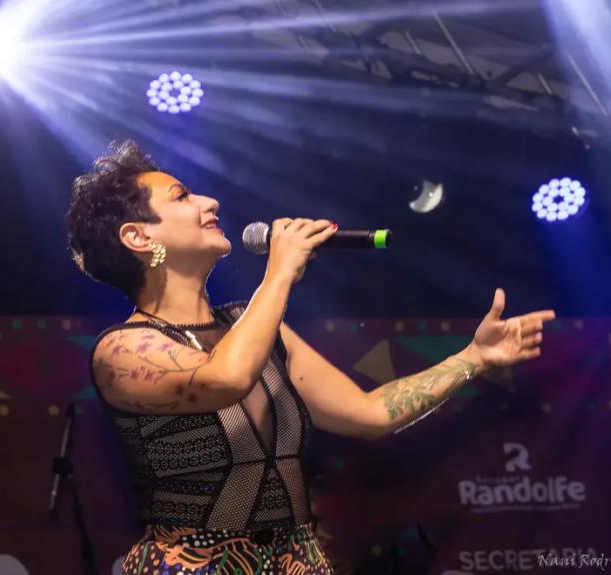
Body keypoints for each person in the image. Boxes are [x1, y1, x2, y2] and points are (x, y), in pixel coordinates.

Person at [66, 140, 555, 575]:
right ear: (138, 237)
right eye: (181, 197)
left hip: (298, 561)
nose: (209, 202)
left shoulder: (256, 327)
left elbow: (370, 414)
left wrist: (474, 357)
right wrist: (279, 273)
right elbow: (226, 378)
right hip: (193, 565)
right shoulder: (122, 350)